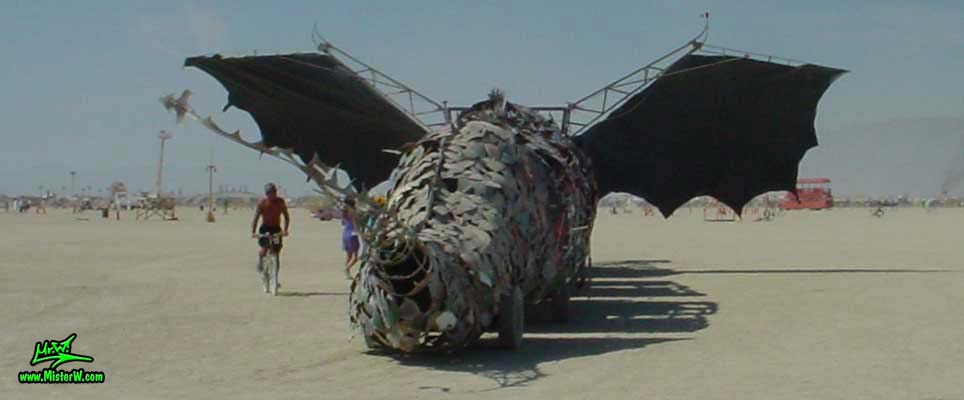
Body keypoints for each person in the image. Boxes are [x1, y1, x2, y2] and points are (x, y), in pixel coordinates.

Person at [251, 183, 290, 290]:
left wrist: (285, 230)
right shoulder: (263, 203)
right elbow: (256, 218)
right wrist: (253, 232)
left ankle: (274, 277)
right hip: (265, 229)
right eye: (270, 193)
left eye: (274, 192)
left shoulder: (280, 202)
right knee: (264, 249)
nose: (273, 195)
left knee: (276, 253)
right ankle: (261, 260)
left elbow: (286, 216)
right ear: (267, 194)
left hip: (276, 229)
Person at [342, 198, 360, 279]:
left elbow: (343, 223)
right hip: (352, 234)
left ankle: (347, 273)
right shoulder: (353, 212)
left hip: (345, 233)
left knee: (348, 255)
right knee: (355, 256)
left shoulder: (344, 212)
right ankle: (347, 269)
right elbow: (355, 223)